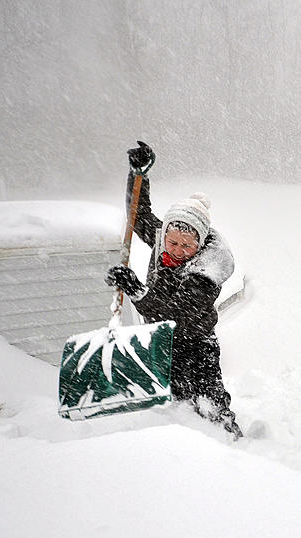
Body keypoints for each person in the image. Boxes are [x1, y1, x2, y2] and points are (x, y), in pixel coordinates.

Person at [106, 141, 243, 438]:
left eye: (187, 246)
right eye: (173, 242)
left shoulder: (207, 270)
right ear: (165, 233)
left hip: (196, 345)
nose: (178, 250)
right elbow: (138, 216)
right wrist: (138, 175)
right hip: (165, 341)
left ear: (200, 242)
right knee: (178, 406)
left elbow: (173, 313)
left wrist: (137, 290)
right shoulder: (163, 237)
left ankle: (234, 446)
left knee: (211, 405)